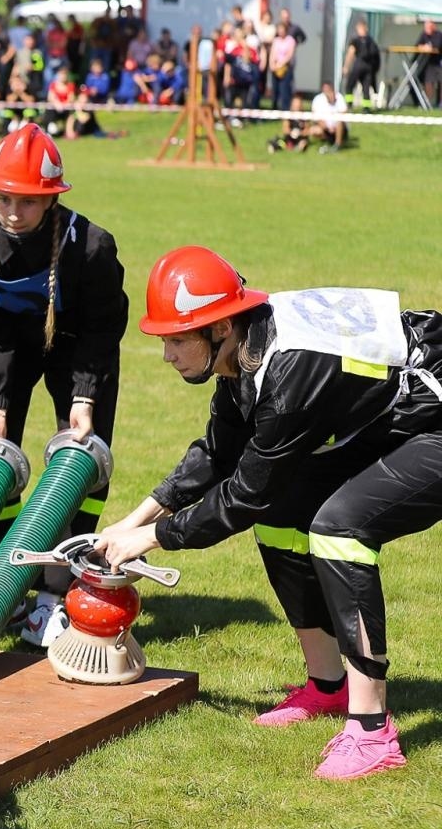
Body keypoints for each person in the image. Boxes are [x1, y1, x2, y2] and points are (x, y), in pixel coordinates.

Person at [99, 248, 442, 780]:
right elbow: (218, 452)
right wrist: (133, 520)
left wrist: (154, 538)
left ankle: (373, 732)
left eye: (176, 339)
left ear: (221, 327)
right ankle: (328, 687)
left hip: (434, 418)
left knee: (339, 529)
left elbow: (243, 495)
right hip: (391, 413)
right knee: (282, 516)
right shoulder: (245, 350)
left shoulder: (288, 377)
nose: (166, 354)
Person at [0, 124, 127, 644]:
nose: (14, 212)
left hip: (77, 346)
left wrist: (84, 397)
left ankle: (59, 591)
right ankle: (1, 592)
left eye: (27, 201)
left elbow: (101, 328)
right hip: (4, 347)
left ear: (51, 198)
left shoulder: (91, 248)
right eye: (4, 198)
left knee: (83, 465)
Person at [341, 19, 381, 109]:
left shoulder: (356, 40)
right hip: (369, 67)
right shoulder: (372, 41)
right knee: (366, 88)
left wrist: (346, 66)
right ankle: (366, 108)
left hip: (358, 65)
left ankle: (349, 104)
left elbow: (351, 53)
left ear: (359, 28)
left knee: (350, 85)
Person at [310, 82, 347, 152]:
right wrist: (326, 127)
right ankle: (326, 140)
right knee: (313, 130)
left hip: (338, 127)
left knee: (339, 122)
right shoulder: (318, 99)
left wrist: (334, 127)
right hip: (325, 128)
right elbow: (315, 116)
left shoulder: (339, 97)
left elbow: (344, 112)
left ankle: (337, 144)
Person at [414, 18, 440, 108]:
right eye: (426, 27)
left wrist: (428, 47)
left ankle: (436, 102)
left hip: (437, 63)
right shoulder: (424, 35)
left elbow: (437, 46)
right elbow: (417, 46)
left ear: (433, 26)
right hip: (427, 64)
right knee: (426, 80)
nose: (427, 29)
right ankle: (425, 102)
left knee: (435, 78)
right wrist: (423, 46)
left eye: (428, 27)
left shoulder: (438, 35)